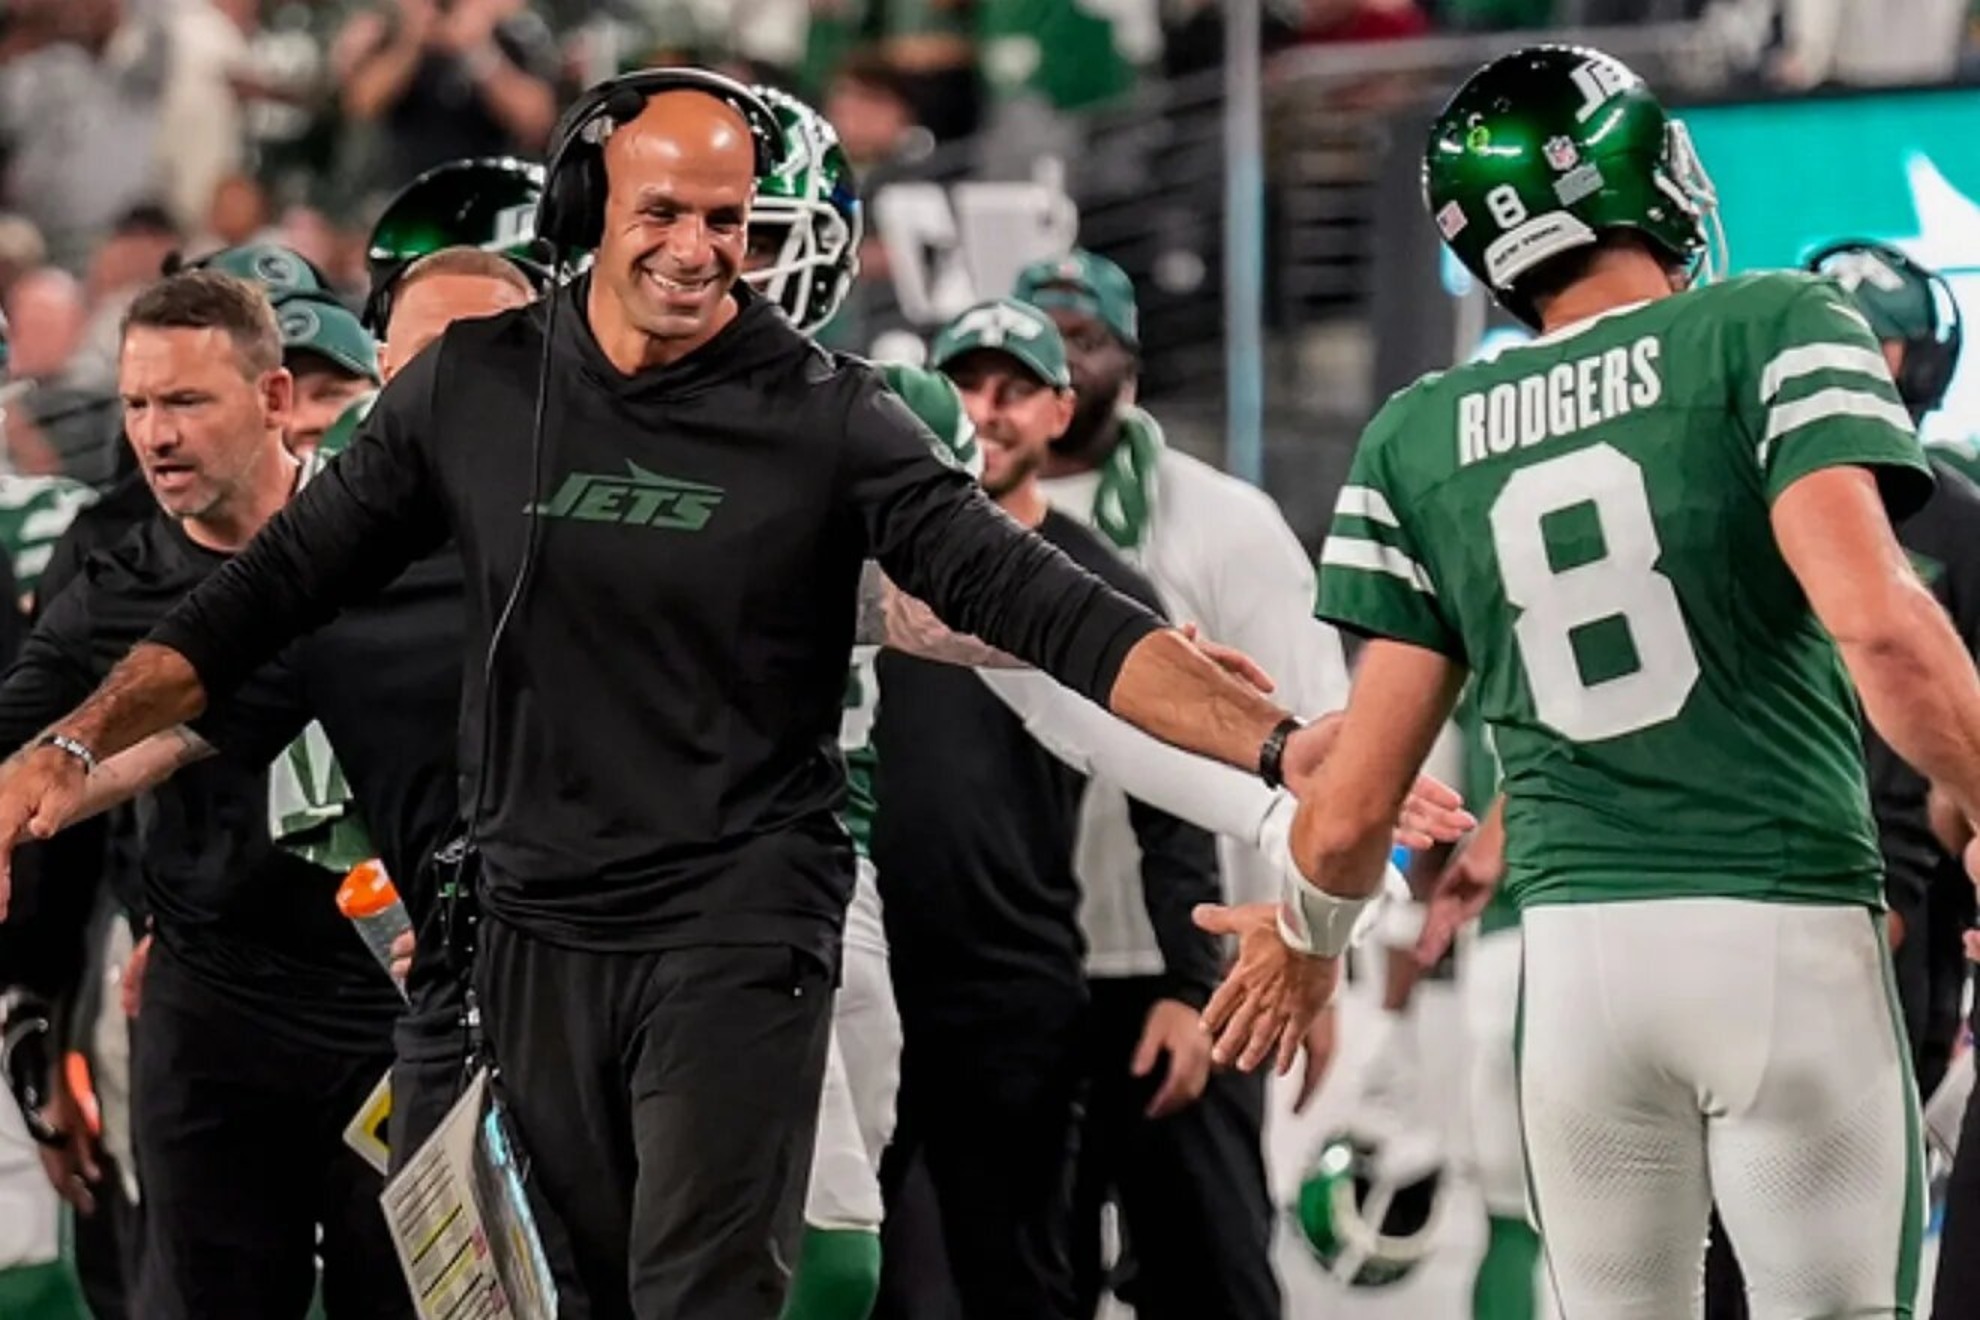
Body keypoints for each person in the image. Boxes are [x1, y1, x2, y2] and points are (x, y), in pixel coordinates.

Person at [0, 70, 1318, 1320]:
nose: (699, 250)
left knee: (717, 1290)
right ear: (584, 213)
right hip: (521, 937)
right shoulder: (467, 398)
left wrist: (1275, 746)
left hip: (735, 924)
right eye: (665, 214)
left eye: (727, 221)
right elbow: (254, 607)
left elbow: (1026, 604)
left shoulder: (828, 414)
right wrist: (70, 742)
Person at [1199, 44, 1980, 1319]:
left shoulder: (1418, 431)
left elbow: (1353, 804)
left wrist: (1306, 937)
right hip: (1779, 928)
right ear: (1641, 174)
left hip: (1575, 973)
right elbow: (1885, 632)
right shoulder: (1772, 323)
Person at [0, 269, 410, 1318]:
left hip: (399, 1005)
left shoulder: (397, 535)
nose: (155, 435)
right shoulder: (116, 577)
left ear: (274, 401)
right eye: (138, 404)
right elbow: (22, 739)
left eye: (186, 402)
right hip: (212, 1003)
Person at [1012, 247, 1352, 1319]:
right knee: (1025, 1273)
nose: (1057, 372)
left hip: (1190, 955)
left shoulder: (1220, 522)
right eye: (1034, 347)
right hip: (1018, 961)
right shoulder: (947, 520)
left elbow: (1314, 747)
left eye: (1085, 343)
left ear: (1133, 368)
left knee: (1208, 1270)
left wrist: (1303, 948)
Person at [873, 297, 1223, 1320]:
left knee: (1025, 1281)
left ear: (1060, 412)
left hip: (1013, 986)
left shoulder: (1094, 586)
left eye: (1013, 391)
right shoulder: (858, 558)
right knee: (854, 1278)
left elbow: (1177, 793)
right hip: (851, 969)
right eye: (964, 388)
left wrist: (1186, 982)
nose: (985, 412)